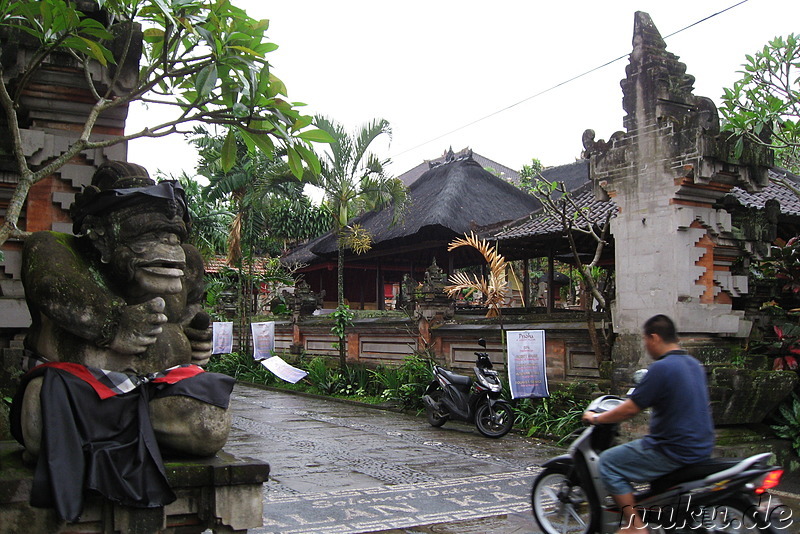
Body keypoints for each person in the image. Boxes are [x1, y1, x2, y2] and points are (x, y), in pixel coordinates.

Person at [581, 314, 715, 534]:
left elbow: (630, 409)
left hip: (671, 449)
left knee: (608, 463)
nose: (646, 346)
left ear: (654, 338)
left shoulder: (661, 368)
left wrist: (596, 418)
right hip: (701, 447)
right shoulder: (693, 364)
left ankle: (634, 525)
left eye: (645, 341)